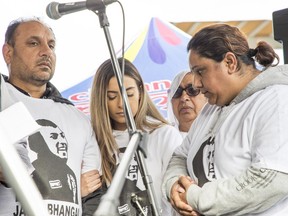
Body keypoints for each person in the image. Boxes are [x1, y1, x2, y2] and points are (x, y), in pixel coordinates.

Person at [163, 23, 288, 216]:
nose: (195, 82)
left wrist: (196, 198)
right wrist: (174, 186)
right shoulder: (211, 109)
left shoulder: (277, 100)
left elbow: (272, 180)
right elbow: (180, 156)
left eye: (200, 71)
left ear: (230, 62)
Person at [0, 17, 102, 215]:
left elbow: (93, 197)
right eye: (34, 43)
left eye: (51, 45)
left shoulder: (78, 119)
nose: (46, 52)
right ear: (8, 53)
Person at [83, 58, 183, 215]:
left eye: (129, 94)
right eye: (111, 96)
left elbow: (178, 193)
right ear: (100, 98)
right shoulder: (90, 139)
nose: (121, 104)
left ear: (140, 92)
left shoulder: (164, 134)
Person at [167, 70, 207, 137]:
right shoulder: (163, 138)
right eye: (177, 92)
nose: (183, 98)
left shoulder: (220, 135)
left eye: (192, 90)